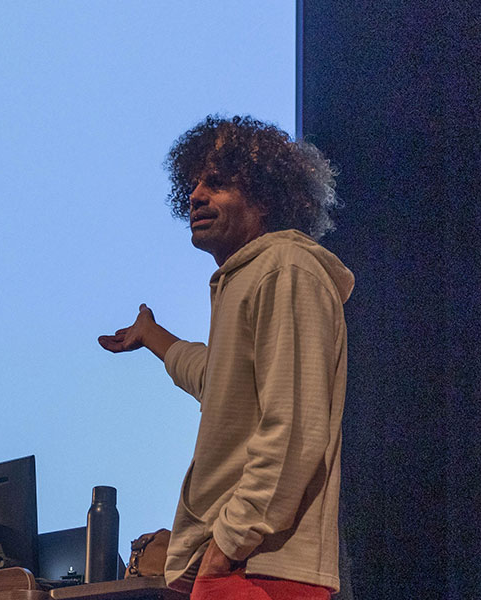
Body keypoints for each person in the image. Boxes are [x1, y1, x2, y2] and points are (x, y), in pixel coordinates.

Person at [98, 116, 351, 600]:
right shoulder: (249, 277)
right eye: (193, 185)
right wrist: (152, 336)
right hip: (238, 566)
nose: (195, 196)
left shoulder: (286, 268)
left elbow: (295, 429)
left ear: (265, 196)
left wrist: (228, 542)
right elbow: (218, 380)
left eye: (216, 183)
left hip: (263, 569)